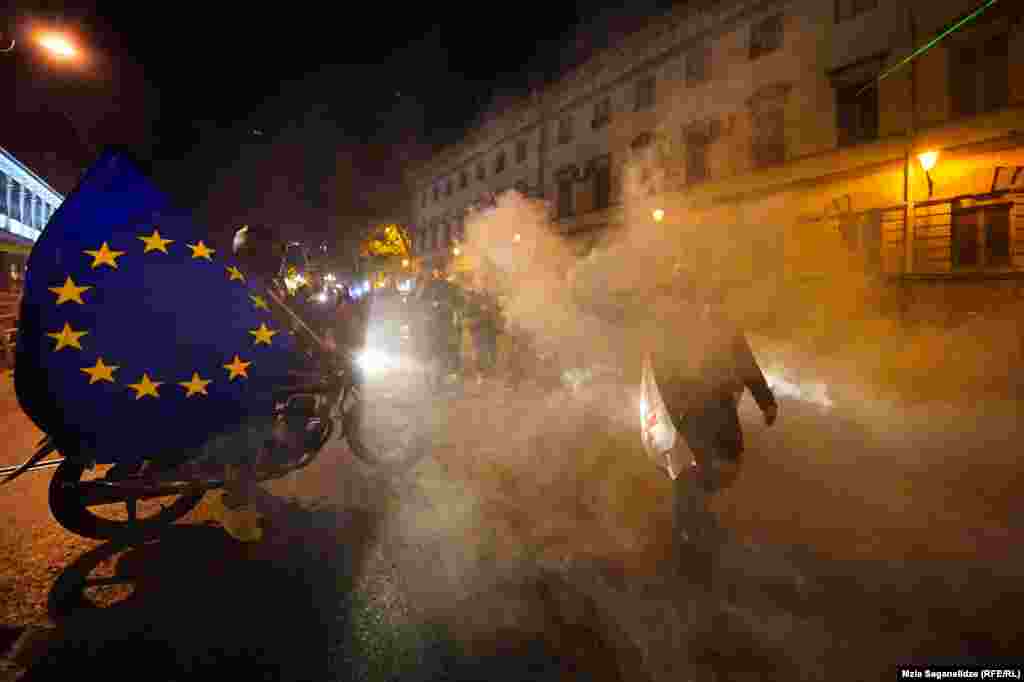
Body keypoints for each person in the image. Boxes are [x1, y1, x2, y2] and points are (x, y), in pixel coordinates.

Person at [648, 276, 778, 588]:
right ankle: (690, 542)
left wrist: (766, 401)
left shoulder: (718, 327)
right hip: (689, 416)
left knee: (697, 475)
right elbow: (660, 373)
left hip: (711, 413)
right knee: (687, 477)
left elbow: (745, 363)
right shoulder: (672, 330)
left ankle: (695, 540)